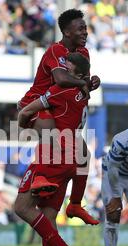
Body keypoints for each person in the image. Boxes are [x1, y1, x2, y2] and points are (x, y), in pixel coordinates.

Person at [17, 8, 101, 225]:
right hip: (37, 104)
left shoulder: (83, 53)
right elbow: (62, 79)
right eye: (80, 28)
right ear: (66, 31)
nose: (85, 32)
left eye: (85, 28)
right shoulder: (56, 50)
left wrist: (90, 84)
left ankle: (74, 204)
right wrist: (82, 83)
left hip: (58, 107)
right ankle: (40, 177)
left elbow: (79, 89)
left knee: (84, 154)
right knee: (50, 132)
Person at [15, 53, 90, 246]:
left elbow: (26, 111)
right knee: (47, 216)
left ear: (76, 73)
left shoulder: (60, 90)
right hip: (71, 158)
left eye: (66, 66)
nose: (61, 69)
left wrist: (23, 119)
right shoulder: (81, 93)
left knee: (22, 207)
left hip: (55, 156)